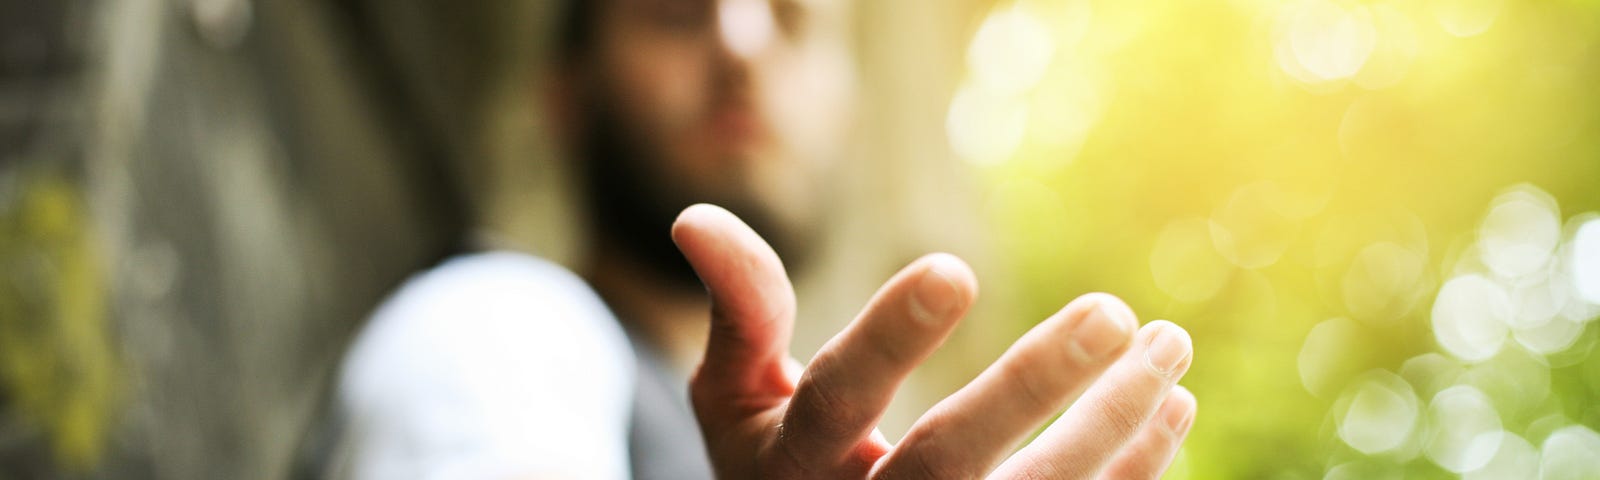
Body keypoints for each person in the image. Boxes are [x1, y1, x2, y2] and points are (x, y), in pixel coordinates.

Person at [325, 0, 1199, 478]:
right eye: (673, 12)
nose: (739, 40)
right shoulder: (505, 325)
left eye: (789, 15)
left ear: (848, 118)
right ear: (568, 97)